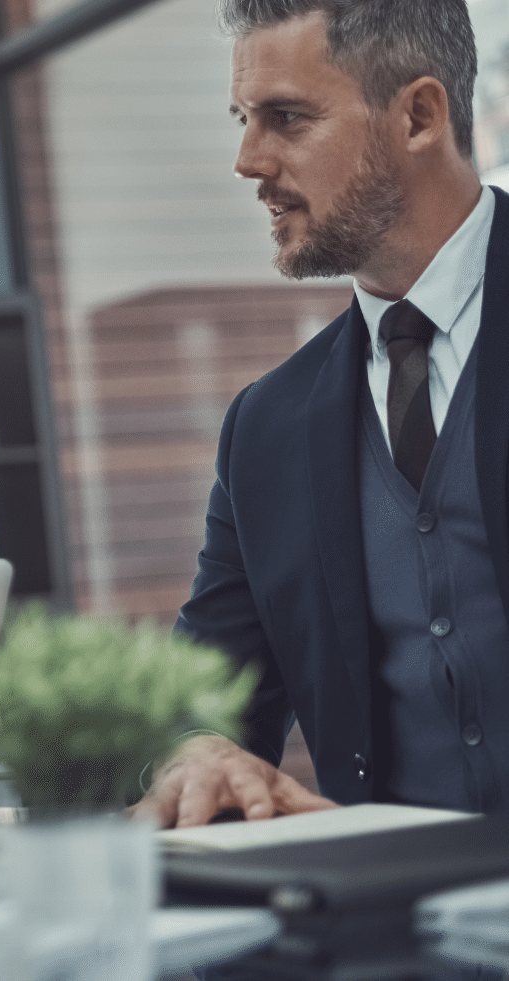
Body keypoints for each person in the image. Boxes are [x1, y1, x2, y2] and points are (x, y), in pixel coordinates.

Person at [138, 0, 508, 829]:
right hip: (392, 939)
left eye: (285, 118)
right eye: (243, 119)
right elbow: (198, 695)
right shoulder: (263, 428)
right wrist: (195, 747)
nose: (245, 159)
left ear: (417, 115)